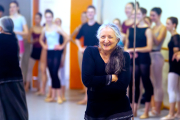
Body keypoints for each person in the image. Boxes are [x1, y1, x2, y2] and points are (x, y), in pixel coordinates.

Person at [82, 23, 133, 120]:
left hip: (119, 110)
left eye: (110, 37)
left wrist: (95, 88)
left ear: (117, 40)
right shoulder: (90, 52)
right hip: (95, 110)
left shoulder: (124, 56)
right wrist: (110, 78)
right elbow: (87, 80)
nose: (106, 40)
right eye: (103, 37)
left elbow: (122, 86)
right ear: (98, 38)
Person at [125, 8, 153, 119]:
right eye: (133, 14)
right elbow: (127, 45)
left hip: (144, 59)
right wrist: (129, 51)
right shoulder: (130, 29)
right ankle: (133, 109)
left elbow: (149, 47)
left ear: (143, 15)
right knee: (133, 83)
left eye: (138, 13)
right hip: (133, 59)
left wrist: (135, 50)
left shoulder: (148, 30)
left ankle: (146, 110)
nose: (135, 15)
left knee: (146, 82)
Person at [0, 16, 28, 120]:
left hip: (3, 79)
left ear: (1, 28)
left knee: (4, 109)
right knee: (18, 106)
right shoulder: (14, 38)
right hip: (16, 78)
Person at [39, 9, 69, 104]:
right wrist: (44, 45)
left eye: (50, 17)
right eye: (46, 17)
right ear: (45, 18)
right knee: (51, 73)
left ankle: (59, 96)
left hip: (56, 52)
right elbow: (40, 39)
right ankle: (53, 96)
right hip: (49, 52)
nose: (48, 18)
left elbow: (67, 36)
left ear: (52, 17)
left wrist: (62, 46)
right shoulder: (44, 28)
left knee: (55, 72)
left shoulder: (57, 27)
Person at [75, 5, 101, 105]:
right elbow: (77, 38)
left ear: (94, 13)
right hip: (85, 53)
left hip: (95, 53)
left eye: (92, 12)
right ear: (87, 14)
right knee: (85, 75)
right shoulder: (84, 26)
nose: (90, 13)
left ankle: (94, 98)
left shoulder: (99, 26)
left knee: (94, 75)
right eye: (88, 12)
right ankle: (86, 98)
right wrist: (80, 47)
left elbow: (102, 40)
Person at [149, 7, 167, 116]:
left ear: (159, 15)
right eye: (150, 15)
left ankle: (158, 109)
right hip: (150, 55)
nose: (151, 17)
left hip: (157, 55)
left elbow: (158, 41)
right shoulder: (153, 27)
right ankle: (154, 107)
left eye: (153, 15)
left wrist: (149, 30)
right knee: (153, 83)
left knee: (158, 84)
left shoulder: (162, 28)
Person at [161, 17, 180, 120]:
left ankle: (171, 114)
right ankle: (178, 113)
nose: (166, 25)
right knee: (177, 90)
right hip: (175, 65)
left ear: (174, 25)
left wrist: (177, 53)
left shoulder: (175, 36)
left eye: (168, 23)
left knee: (171, 89)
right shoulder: (174, 36)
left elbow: (177, 50)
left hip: (174, 66)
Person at [46, 17, 67, 101]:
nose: (57, 23)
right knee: (53, 74)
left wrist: (63, 58)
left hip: (60, 55)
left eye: (59, 21)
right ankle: (53, 95)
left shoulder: (61, 32)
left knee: (61, 76)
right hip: (52, 54)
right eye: (56, 21)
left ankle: (62, 95)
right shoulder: (54, 32)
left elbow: (65, 47)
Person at [25, 12, 43, 92]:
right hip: (34, 51)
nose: (37, 20)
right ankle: (27, 86)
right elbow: (28, 40)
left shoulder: (43, 29)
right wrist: (33, 41)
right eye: (35, 18)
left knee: (40, 70)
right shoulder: (32, 28)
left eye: (38, 18)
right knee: (29, 68)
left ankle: (39, 87)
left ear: (41, 19)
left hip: (41, 51)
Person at [9, 1, 28, 65]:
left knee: (18, 64)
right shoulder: (8, 18)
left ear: (17, 8)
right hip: (9, 42)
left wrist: (15, 32)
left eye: (14, 7)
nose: (12, 8)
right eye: (11, 7)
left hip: (19, 42)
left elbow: (26, 32)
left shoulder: (21, 18)